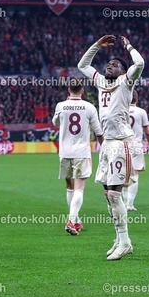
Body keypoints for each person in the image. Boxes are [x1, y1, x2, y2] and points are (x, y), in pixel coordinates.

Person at [78, 34, 144, 261]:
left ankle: (125, 242)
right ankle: (119, 239)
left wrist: (129, 46)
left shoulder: (126, 82)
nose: (109, 66)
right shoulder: (101, 83)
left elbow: (140, 63)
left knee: (115, 195)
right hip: (106, 144)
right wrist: (97, 45)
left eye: (115, 65)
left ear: (123, 71)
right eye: (108, 63)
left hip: (120, 143)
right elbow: (83, 65)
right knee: (108, 195)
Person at [52, 80, 104, 235]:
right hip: (81, 152)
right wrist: (106, 148)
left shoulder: (60, 106)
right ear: (82, 90)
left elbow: (55, 123)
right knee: (79, 188)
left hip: (65, 152)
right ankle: (71, 219)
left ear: (69, 89)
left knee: (70, 186)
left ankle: (75, 220)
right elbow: (98, 132)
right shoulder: (89, 107)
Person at [123, 90, 149, 211]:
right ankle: (129, 204)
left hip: (122, 145)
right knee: (135, 174)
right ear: (137, 99)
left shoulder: (121, 110)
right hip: (135, 145)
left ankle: (124, 203)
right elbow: (147, 132)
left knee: (123, 174)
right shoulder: (141, 112)